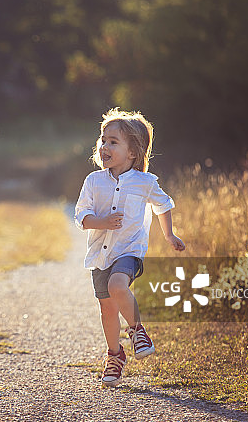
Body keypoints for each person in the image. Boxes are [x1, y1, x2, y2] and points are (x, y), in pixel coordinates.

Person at [74, 108, 185, 387]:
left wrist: (169, 235)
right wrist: (102, 221)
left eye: (113, 142)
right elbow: (81, 216)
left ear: (132, 153)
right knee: (107, 309)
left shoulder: (144, 182)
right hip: (101, 255)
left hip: (129, 251)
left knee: (118, 286)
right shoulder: (93, 181)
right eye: (103, 139)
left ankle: (137, 330)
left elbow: (164, 205)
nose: (104, 146)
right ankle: (115, 355)